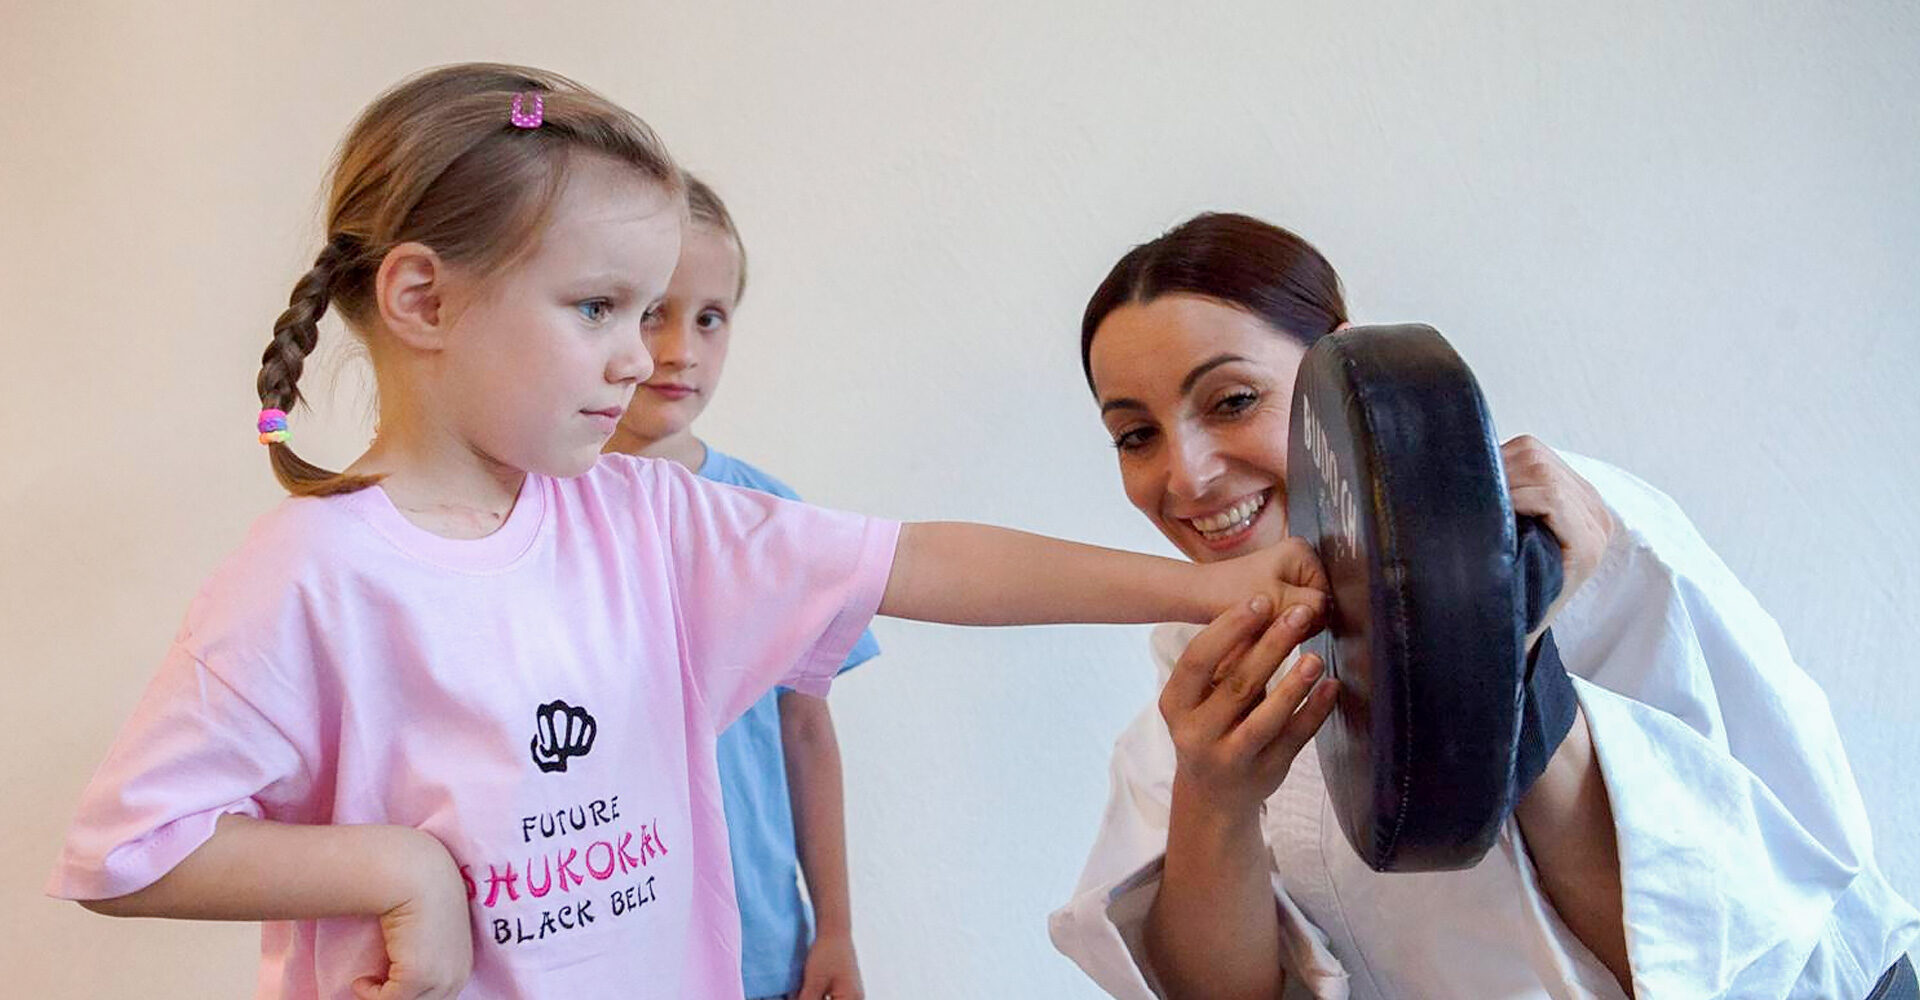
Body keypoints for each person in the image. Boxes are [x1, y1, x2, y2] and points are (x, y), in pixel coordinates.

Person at [45, 71, 1328, 1000]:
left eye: (659, 310)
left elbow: (926, 559)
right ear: (424, 297)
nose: (641, 356)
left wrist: (1207, 580)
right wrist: (404, 873)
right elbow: (129, 849)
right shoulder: (306, 581)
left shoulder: (654, 524)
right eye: (599, 306)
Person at [1048, 211, 1920, 999]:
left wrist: (1490, 643)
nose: (1186, 476)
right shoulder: (1195, 664)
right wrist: (1215, 794)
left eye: (1233, 401)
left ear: (1337, 369)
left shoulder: (1564, 538)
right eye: (1136, 435)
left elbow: (1700, 949)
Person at [603, 173, 870, 1000]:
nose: (681, 349)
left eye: (710, 318)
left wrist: (836, 930)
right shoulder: (527, 508)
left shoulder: (767, 517)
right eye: (653, 312)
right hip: (591, 936)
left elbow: (806, 735)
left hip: (757, 939)